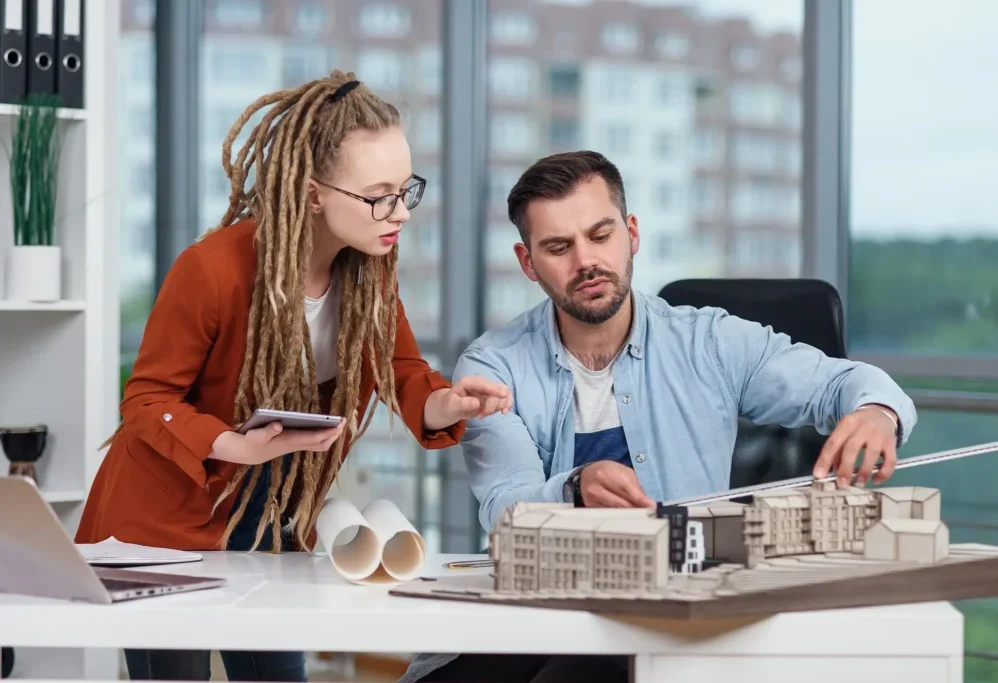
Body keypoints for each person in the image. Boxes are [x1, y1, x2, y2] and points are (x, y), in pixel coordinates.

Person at [401, 150, 916, 683]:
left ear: (632, 234)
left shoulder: (710, 341)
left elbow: (845, 383)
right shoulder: (492, 366)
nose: (586, 263)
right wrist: (575, 488)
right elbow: (506, 508)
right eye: (558, 247)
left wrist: (876, 413)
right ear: (527, 262)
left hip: (666, 618)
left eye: (600, 236)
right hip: (536, 609)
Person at [76, 71, 510, 682]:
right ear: (311, 194)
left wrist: (447, 403)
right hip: (164, 519)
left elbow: (405, 371)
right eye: (378, 195)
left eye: (406, 190)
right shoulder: (211, 269)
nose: (401, 214)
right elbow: (147, 399)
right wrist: (235, 446)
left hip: (266, 516)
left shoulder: (370, 274)